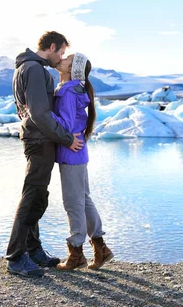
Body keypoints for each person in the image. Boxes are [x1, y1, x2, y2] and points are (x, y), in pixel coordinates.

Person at [6, 31, 84, 277]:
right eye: (61, 52)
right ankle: (16, 257)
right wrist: (67, 138)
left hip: (37, 139)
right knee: (33, 196)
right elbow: (40, 113)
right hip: (40, 140)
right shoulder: (35, 69)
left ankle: (33, 249)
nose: (61, 57)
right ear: (52, 47)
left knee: (37, 194)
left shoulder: (26, 67)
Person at [52, 53, 114, 270]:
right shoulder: (73, 89)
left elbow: (66, 125)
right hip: (76, 153)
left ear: (73, 69)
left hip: (71, 153)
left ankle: (76, 253)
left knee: (73, 203)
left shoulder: (68, 92)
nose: (62, 59)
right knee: (83, 200)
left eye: (67, 59)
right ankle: (101, 249)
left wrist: (41, 115)